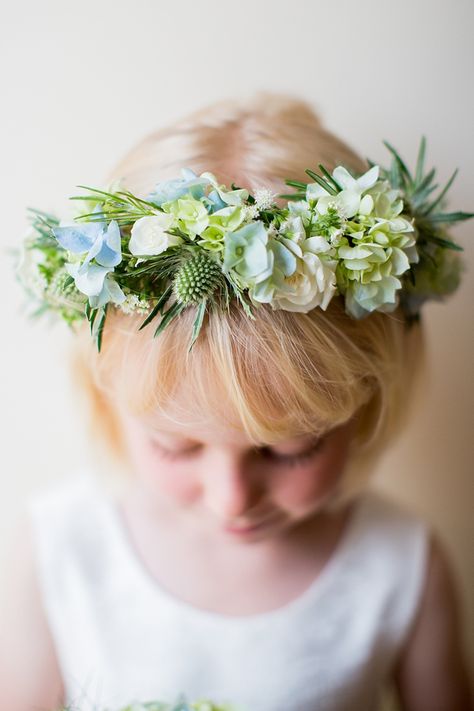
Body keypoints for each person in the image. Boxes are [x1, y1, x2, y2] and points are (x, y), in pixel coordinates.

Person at [1, 92, 472, 711]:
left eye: (292, 452)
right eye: (175, 445)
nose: (232, 499)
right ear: (106, 397)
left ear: (365, 406)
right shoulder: (62, 551)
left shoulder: (400, 567)